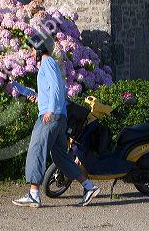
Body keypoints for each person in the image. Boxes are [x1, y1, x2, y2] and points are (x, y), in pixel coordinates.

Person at [12, 35, 100, 208]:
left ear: (37, 49)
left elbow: (57, 88)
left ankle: (34, 194)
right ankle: (89, 187)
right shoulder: (47, 65)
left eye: (31, 49)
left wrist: (50, 110)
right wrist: (21, 89)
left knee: (36, 149)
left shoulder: (47, 63)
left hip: (51, 116)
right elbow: (50, 91)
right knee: (60, 157)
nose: (30, 53)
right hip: (59, 118)